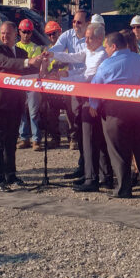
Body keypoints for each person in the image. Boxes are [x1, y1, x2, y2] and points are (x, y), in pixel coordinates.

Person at [90, 31, 140, 198]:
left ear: (113, 47)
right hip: (139, 109)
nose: (105, 50)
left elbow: (96, 87)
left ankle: (123, 188)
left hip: (115, 111)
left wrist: (94, 105)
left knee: (118, 150)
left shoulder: (106, 65)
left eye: (106, 46)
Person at [45, 23, 113, 191]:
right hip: (88, 98)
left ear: (99, 39)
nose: (86, 41)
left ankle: (92, 179)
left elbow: (86, 77)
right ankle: (103, 176)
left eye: (89, 38)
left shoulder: (101, 55)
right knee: (92, 139)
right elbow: (74, 57)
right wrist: (53, 54)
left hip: (94, 101)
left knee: (91, 140)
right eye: (86, 37)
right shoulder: (90, 50)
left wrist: (62, 80)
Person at [0, 21, 42, 192]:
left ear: (15, 34)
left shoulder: (22, 52)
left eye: (8, 33)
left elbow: (28, 74)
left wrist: (41, 66)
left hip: (15, 103)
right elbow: (6, 63)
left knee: (10, 142)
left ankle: (11, 175)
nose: (4, 36)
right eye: (2, 33)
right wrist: (27, 62)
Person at [49, 10, 89, 178]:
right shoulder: (67, 35)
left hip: (88, 85)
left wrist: (56, 56)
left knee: (87, 126)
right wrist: (49, 54)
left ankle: (89, 166)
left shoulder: (91, 37)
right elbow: (57, 48)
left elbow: (75, 58)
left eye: (79, 22)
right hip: (73, 85)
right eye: (73, 21)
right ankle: (83, 164)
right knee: (75, 123)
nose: (75, 25)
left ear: (87, 24)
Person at [16, 19, 43, 152]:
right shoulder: (15, 47)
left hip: (32, 83)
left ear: (31, 33)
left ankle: (36, 140)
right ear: (19, 32)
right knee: (21, 111)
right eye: (23, 32)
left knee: (33, 112)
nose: (26, 34)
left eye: (28, 32)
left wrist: (24, 64)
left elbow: (35, 65)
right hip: (19, 82)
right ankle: (24, 138)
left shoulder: (36, 48)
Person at [41, 21, 65, 149]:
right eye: (49, 35)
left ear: (59, 32)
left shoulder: (67, 48)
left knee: (72, 113)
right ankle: (55, 138)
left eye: (54, 33)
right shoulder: (47, 50)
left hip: (66, 85)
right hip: (52, 86)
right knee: (50, 112)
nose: (52, 37)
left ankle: (73, 138)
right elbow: (43, 69)